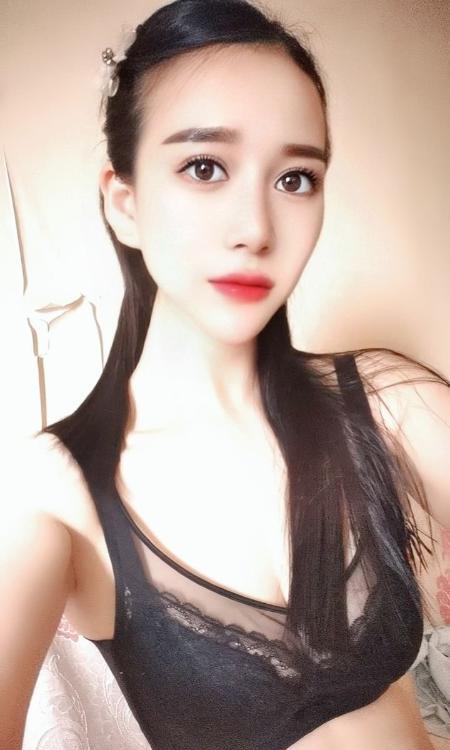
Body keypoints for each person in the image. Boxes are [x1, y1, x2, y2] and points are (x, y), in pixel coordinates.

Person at [2, 1, 450, 748]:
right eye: (205, 167)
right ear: (125, 204)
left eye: (296, 178)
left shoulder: (385, 400)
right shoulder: (57, 490)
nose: (256, 228)